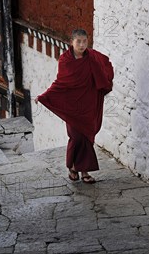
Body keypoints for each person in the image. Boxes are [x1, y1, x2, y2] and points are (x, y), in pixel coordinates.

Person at [35, 29, 114, 184]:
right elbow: (61, 83)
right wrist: (44, 96)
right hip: (72, 106)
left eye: (84, 41)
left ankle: (83, 171)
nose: (82, 44)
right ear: (71, 42)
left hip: (89, 103)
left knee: (87, 137)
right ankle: (73, 168)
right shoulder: (65, 60)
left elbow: (106, 65)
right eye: (78, 41)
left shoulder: (93, 57)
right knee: (76, 137)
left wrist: (104, 80)